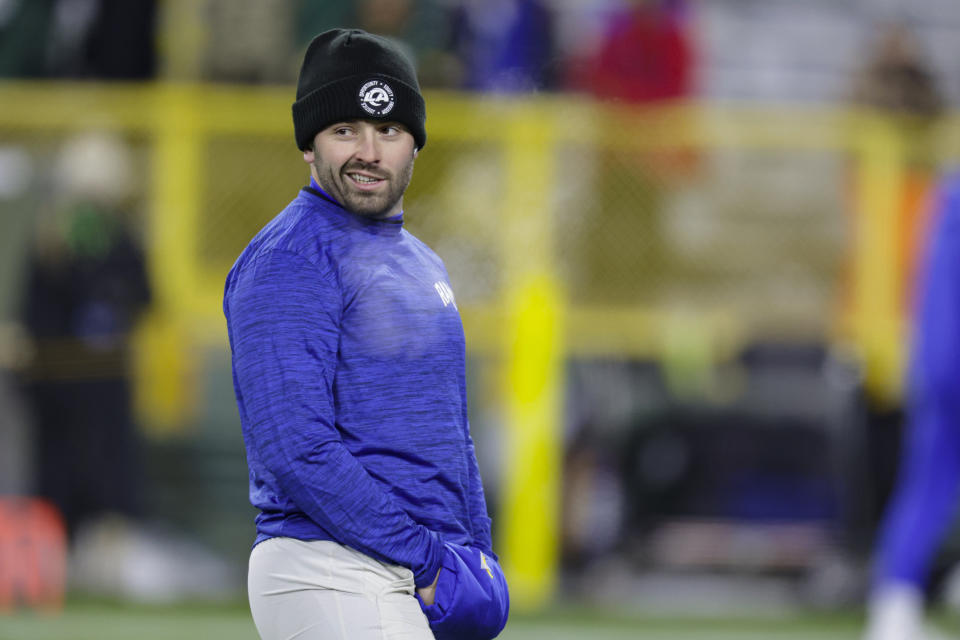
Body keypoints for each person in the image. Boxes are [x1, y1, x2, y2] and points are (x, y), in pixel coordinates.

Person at [223, 29, 508, 640]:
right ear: (309, 143)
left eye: (389, 130)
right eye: (345, 129)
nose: (370, 151)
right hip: (331, 564)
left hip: (419, 567)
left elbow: (450, 436)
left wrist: (474, 552)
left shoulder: (423, 261)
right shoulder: (288, 259)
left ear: (415, 144)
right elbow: (296, 447)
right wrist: (430, 559)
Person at [863, 170, 960, 640]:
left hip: (936, 362)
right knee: (927, 483)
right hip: (947, 361)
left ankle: (895, 607)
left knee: (924, 484)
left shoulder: (944, 198)